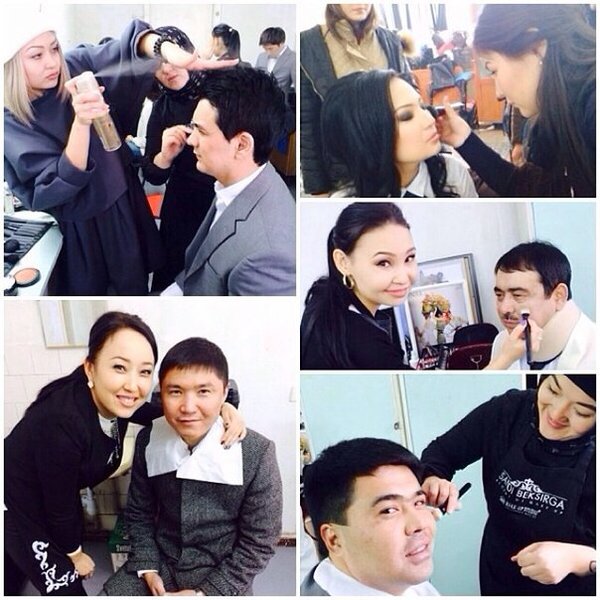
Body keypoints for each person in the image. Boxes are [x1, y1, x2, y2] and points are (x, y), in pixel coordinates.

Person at [4, 312, 244, 596]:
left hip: (49, 498)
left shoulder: (114, 401)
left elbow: (159, 411)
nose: (133, 385)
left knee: (12, 571)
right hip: (17, 503)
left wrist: (221, 408)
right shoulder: (62, 421)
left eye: (144, 372)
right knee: (63, 586)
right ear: (90, 368)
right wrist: (74, 553)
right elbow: (60, 505)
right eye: (119, 367)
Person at [3, 12, 236, 295]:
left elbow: (126, 48)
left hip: (124, 203)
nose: (52, 62)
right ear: (11, 64)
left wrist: (165, 48)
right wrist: (82, 122)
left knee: (133, 289)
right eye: (36, 55)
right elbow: (55, 185)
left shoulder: (74, 65)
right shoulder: (13, 122)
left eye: (54, 48)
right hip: (82, 228)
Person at [103, 337, 282, 596]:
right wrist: (148, 567)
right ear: (161, 394)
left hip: (222, 570)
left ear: (224, 393)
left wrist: (203, 594)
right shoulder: (148, 440)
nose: (188, 407)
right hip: (161, 561)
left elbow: (260, 542)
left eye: (203, 392)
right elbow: (139, 513)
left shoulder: (257, 452)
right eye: (175, 392)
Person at [421, 375, 596, 595]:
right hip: (499, 573)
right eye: (552, 390)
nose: (556, 413)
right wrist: (433, 479)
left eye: (581, 411)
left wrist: (582, 559)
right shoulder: (508, 411)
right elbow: (441, 453)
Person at [436, 4, 595, 197]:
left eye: (493, 70)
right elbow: (530, 188)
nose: (498, 94)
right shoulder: (559, 118)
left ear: (536, 48)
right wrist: (465, 140)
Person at [162, 67, 296, 296]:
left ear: (242, 145)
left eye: (202, 131)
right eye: (193, 127)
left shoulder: (269, 256)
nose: (191, 140)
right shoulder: (236, 181)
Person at [301, 437, 439, 596]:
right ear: (334, 539)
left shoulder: (396, 578)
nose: (419, 525)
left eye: (419, 502)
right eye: (388, 510)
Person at [300, 4, 412, 196]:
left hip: (396, 162)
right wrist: (318, 187)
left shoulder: (389, 40)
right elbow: (308, 123)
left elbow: (410, 99)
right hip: (345, 171)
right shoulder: (309, 43)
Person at [141, 26, 216, 293]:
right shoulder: (161, 107)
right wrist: (165, 156)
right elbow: (152, 174)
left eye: (171, 59)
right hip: (182, 200)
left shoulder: (219, 90)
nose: (167, 70)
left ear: (186, 53)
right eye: (157, 65)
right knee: (173, 275)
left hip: (222, 195)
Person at [321, 70, 478, 197]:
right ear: (367, 134)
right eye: (406, 116)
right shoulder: (345, 203)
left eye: (422, 106)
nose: (430, 119)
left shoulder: (452, 174)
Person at [301, 202, 416, 370]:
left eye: (409, 258)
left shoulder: (324, 298)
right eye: (383, 262)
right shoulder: (368, 344)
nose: (403, 278)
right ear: (343, 262)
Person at [485, 242, 596, 370]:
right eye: (499, 295)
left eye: (518, 295)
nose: (504, 309)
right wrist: (504, 359)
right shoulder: (502, 343)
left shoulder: (593, 349)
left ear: (559, 296)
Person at [255, 27, 296, 100]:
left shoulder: (293, 58)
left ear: (281, 44)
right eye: (265, 49)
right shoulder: (261, 56)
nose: (267, 52)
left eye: (270, 49)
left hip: (279, 102)